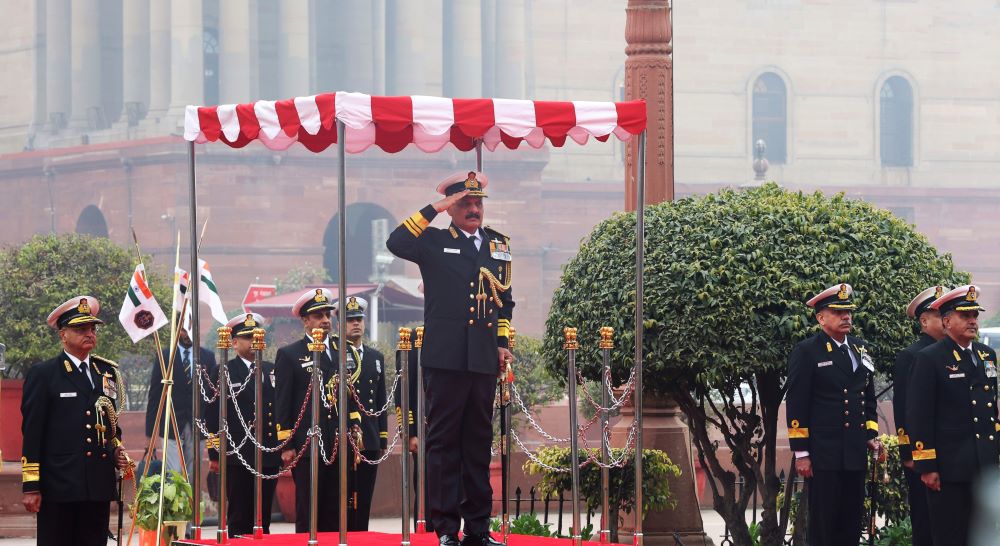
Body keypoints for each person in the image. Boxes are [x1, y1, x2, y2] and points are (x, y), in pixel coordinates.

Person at [386, 170, 514, 546]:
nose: (474, 209)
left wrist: (502, 342)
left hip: (482, 358)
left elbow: (504, 301)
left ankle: (478, 527)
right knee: (442, 443)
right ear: (452, 208)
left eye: (478, 204)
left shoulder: (498, 245)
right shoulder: (434, 241)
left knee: (478, 441)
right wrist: (433, 209)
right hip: (444, 357)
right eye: (465, 204)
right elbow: (397, 242)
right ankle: (445, 529)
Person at [21, 296, 131, 546]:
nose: (89, 334)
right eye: (80, 329)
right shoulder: (45, 374)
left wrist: (115, 451)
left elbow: (112, 425)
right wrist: (31, 485)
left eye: (92, 329)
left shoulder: (107, 373)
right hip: (59, 486)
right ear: (63, 335)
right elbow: (32, 431)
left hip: (97, 486)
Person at [785, 283, 881, 546]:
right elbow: (797, 404)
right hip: (823, 452)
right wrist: (801, 452)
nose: (846, 317)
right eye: (838, 312)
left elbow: (868, 397)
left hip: (853, 449)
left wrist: (870, 434)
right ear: (821, 318)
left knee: (851, 520)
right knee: (824, 522)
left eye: (848, 311)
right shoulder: (808, 351)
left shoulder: (860, 348)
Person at [907, 285, 999, 546]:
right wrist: (927, 466)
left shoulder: (986, 355)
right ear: (946, 321)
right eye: (965, 315)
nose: (973, 321)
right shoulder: (930, 358)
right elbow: (919, 415)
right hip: (949, 469)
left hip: (983, 467)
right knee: (951, 536)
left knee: (981, 536)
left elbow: (990, 410)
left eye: (975, 316)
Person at [274, 288, 363, 532]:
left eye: (327, 314)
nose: (325, 320)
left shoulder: (343, 351)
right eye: (318, 315)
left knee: (336, 507)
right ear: (305, 320)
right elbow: (283, 402)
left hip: (338, 441)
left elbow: (351, 394)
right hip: (307, 444)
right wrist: (287, 444)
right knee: (309, 506)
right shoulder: (290, 354)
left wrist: (355, 428)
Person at [205, 312, 280, 536]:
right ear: (235, 343)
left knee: (263, 515)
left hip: (267, 452)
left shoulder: (271, 369)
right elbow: (213, 415)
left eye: (257, 336)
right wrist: (214, 453)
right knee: (239, 514)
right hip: (237, 454)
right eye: (248, 337)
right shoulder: (224, 371)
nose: (254, 341)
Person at [893, 286, 947, 546]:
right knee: (926, 523)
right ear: (924, 321)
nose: (946, 319)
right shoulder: (911, 356)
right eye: (940, 315)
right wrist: (909, 454)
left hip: (952, 453)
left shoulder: (956, 353)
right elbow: (904, 410)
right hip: (922, 455)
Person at [341, 296, 388, 530]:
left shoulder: (375, 358)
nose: (356, 324)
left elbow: (381, 400)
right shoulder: (335, 355)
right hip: (343, 436)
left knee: (365, 493)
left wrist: (382, 436)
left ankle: (362, 535)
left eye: (359, 319)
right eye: (350, 320)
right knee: (345, 495)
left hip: (368, 436)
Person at [145, 324, 217, 477]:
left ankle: (191, 501)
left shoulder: (207, 357)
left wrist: (212, 430)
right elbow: (155, 395)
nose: (187, 334)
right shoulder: (165, 356)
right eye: (184, 330)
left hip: (198, 424)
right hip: (170, 423)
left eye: (191, 329)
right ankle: (174, 502)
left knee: (192, 472)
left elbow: (212, 396)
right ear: (177, 330)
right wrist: (149, 433)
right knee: (174, 472)